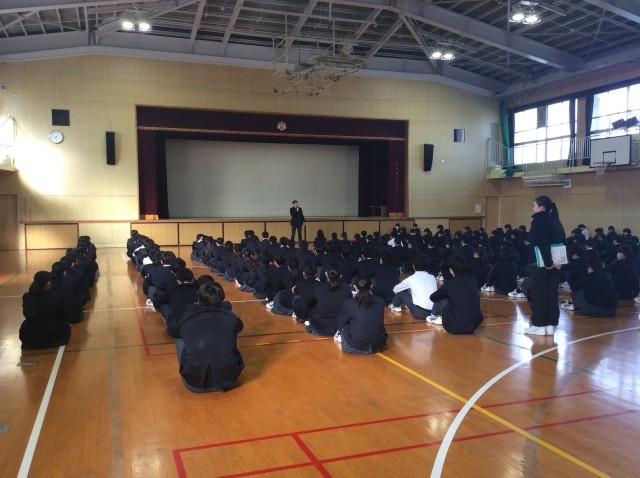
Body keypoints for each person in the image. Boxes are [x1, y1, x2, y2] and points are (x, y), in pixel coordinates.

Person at [169, 283, 244, 393]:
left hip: (193, 383)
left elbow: (171, 330)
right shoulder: (231, 318)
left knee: (180, 336)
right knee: (228, 335)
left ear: (199, 299)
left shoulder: (188, 318)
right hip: (228, 382)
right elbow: (240, 326)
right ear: (222, 300)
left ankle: (191, 368)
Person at [524, 195, 566, 336]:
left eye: (534, 206)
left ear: (541, 207)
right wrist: (559, 261)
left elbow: (542, 242)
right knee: (552, 294)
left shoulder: (538, 222)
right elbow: (563, 242)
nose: (533, 209)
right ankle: (550, 325)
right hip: (556, 264)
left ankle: (539, 325)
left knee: (539, 294)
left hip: (540, 263)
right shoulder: (556, 221)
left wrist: (548, 262)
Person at [428, 255, 483, 334]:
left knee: (443, 298)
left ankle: (433, 316)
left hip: (455, 326)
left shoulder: (450, 283)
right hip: (474, 324)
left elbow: (433, 297)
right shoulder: (473, 280)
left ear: (451, 270)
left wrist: (444, 291)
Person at [336, 275, 387, 354]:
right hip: (379, 345)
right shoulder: (380, 301)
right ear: (371, 286)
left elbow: (341, 323)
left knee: (345, 322)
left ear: (354, 287)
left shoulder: (350, 303)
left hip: (355, 347)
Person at [19, 271, 71, 348]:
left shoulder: (27, 297)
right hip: (53, 336)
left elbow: (26, 314)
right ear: (48, 283)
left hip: (31, 338)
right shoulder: (56, 296)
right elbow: (65, 314)